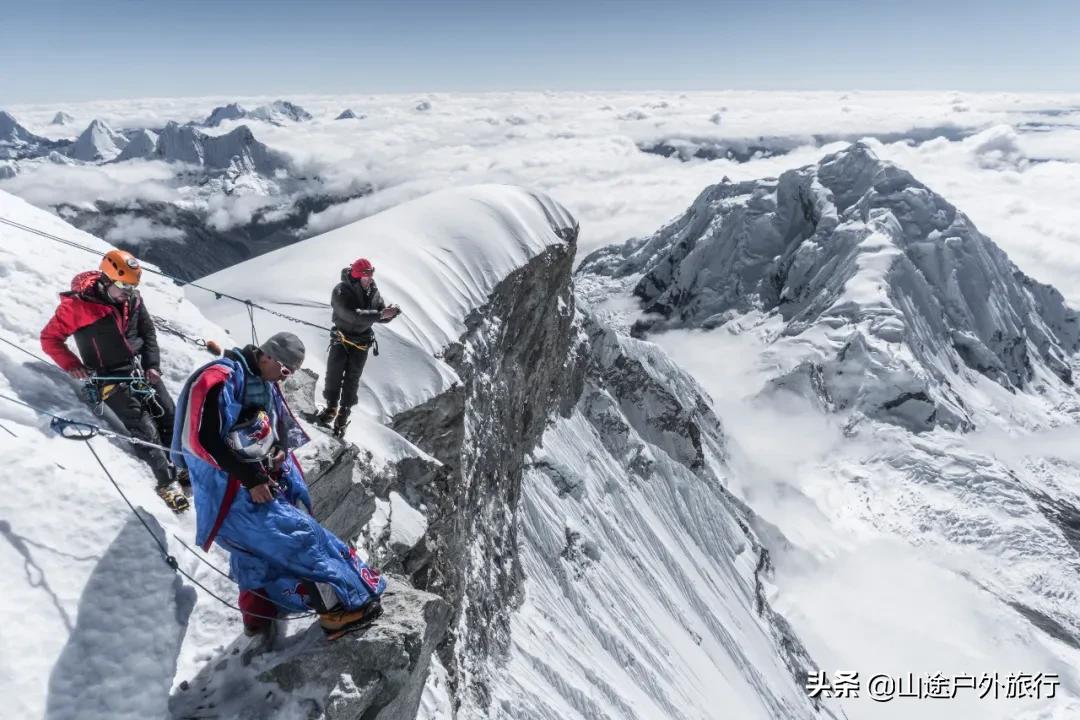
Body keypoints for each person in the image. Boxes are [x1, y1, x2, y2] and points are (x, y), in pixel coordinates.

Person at [172, 331, 387, 639]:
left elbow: (272, 423)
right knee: (300, 539)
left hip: (256, 479)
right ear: (267, 356)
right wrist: (253, 480)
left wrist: (277, 452)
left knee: (260, 551)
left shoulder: (259, 379)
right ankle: (337, 613)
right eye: (285, 371)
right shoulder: (222, 380)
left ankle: (260, 617)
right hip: (230, 492)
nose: (283, 379)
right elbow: (206, 440)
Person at [41, 249, 188, 512]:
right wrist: (73, 365)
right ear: (106, 281)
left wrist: (152, 365)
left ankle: (181, 466)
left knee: (169, 416)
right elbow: (49, 339)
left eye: (132, 286)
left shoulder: (133, 299)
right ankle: (167, 482)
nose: (128, 292)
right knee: (144, 427)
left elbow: (147, 332)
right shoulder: (77, 307)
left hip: (138, 371)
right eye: (123, 286)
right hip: (107, 377)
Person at [315, 257, 400, 437]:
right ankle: (331, 407)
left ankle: (343, 414)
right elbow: (353, 315)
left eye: (370, 274)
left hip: (361, 341)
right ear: (356, 275)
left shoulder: (373, 291)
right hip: (342, 337)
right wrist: (382, 314)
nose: (369, 277)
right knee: (335, 372)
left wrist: (390, 313)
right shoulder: (340, 290)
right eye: (365, 275)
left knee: (352, 377)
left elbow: (378, 313)